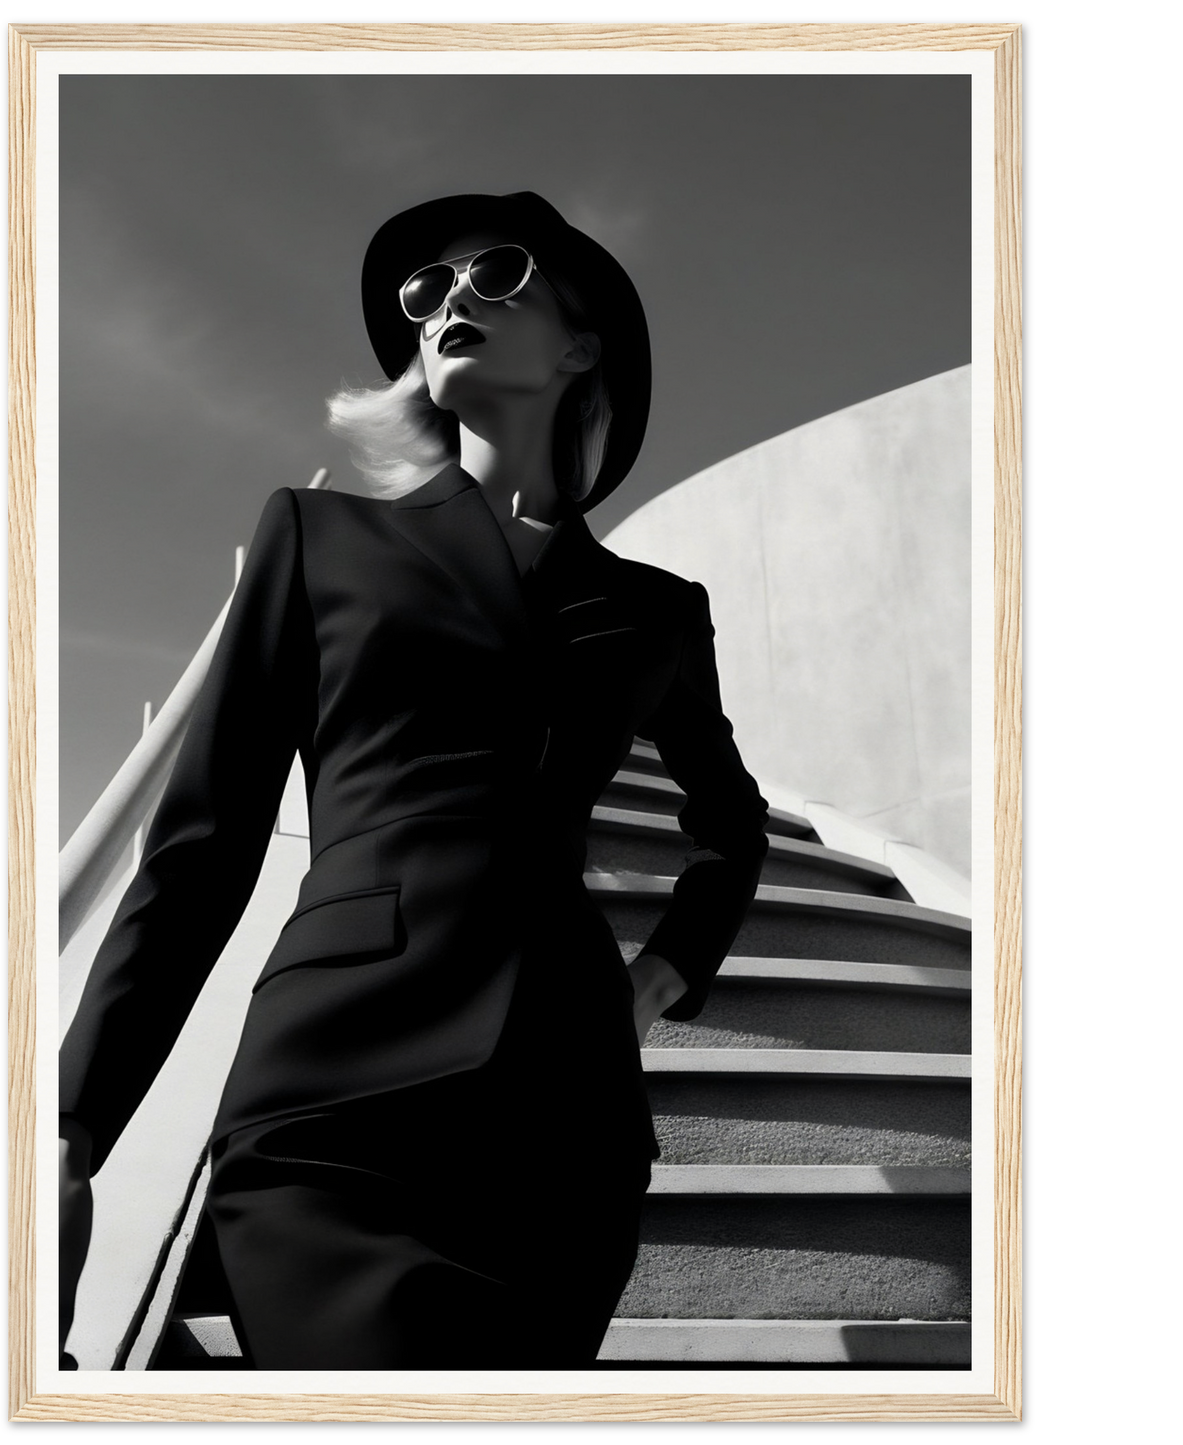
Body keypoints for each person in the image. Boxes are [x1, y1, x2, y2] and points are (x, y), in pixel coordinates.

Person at [59, 191, 770, 1369]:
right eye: (421, 290)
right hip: (335, 1098)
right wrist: (74, 1115)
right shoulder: (318, 536)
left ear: (581, 343)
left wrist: (656, 977)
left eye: (493, 275)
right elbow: (203, 843)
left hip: (562, 1117)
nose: (446, 301)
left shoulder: (656, 612)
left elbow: (729, 827)